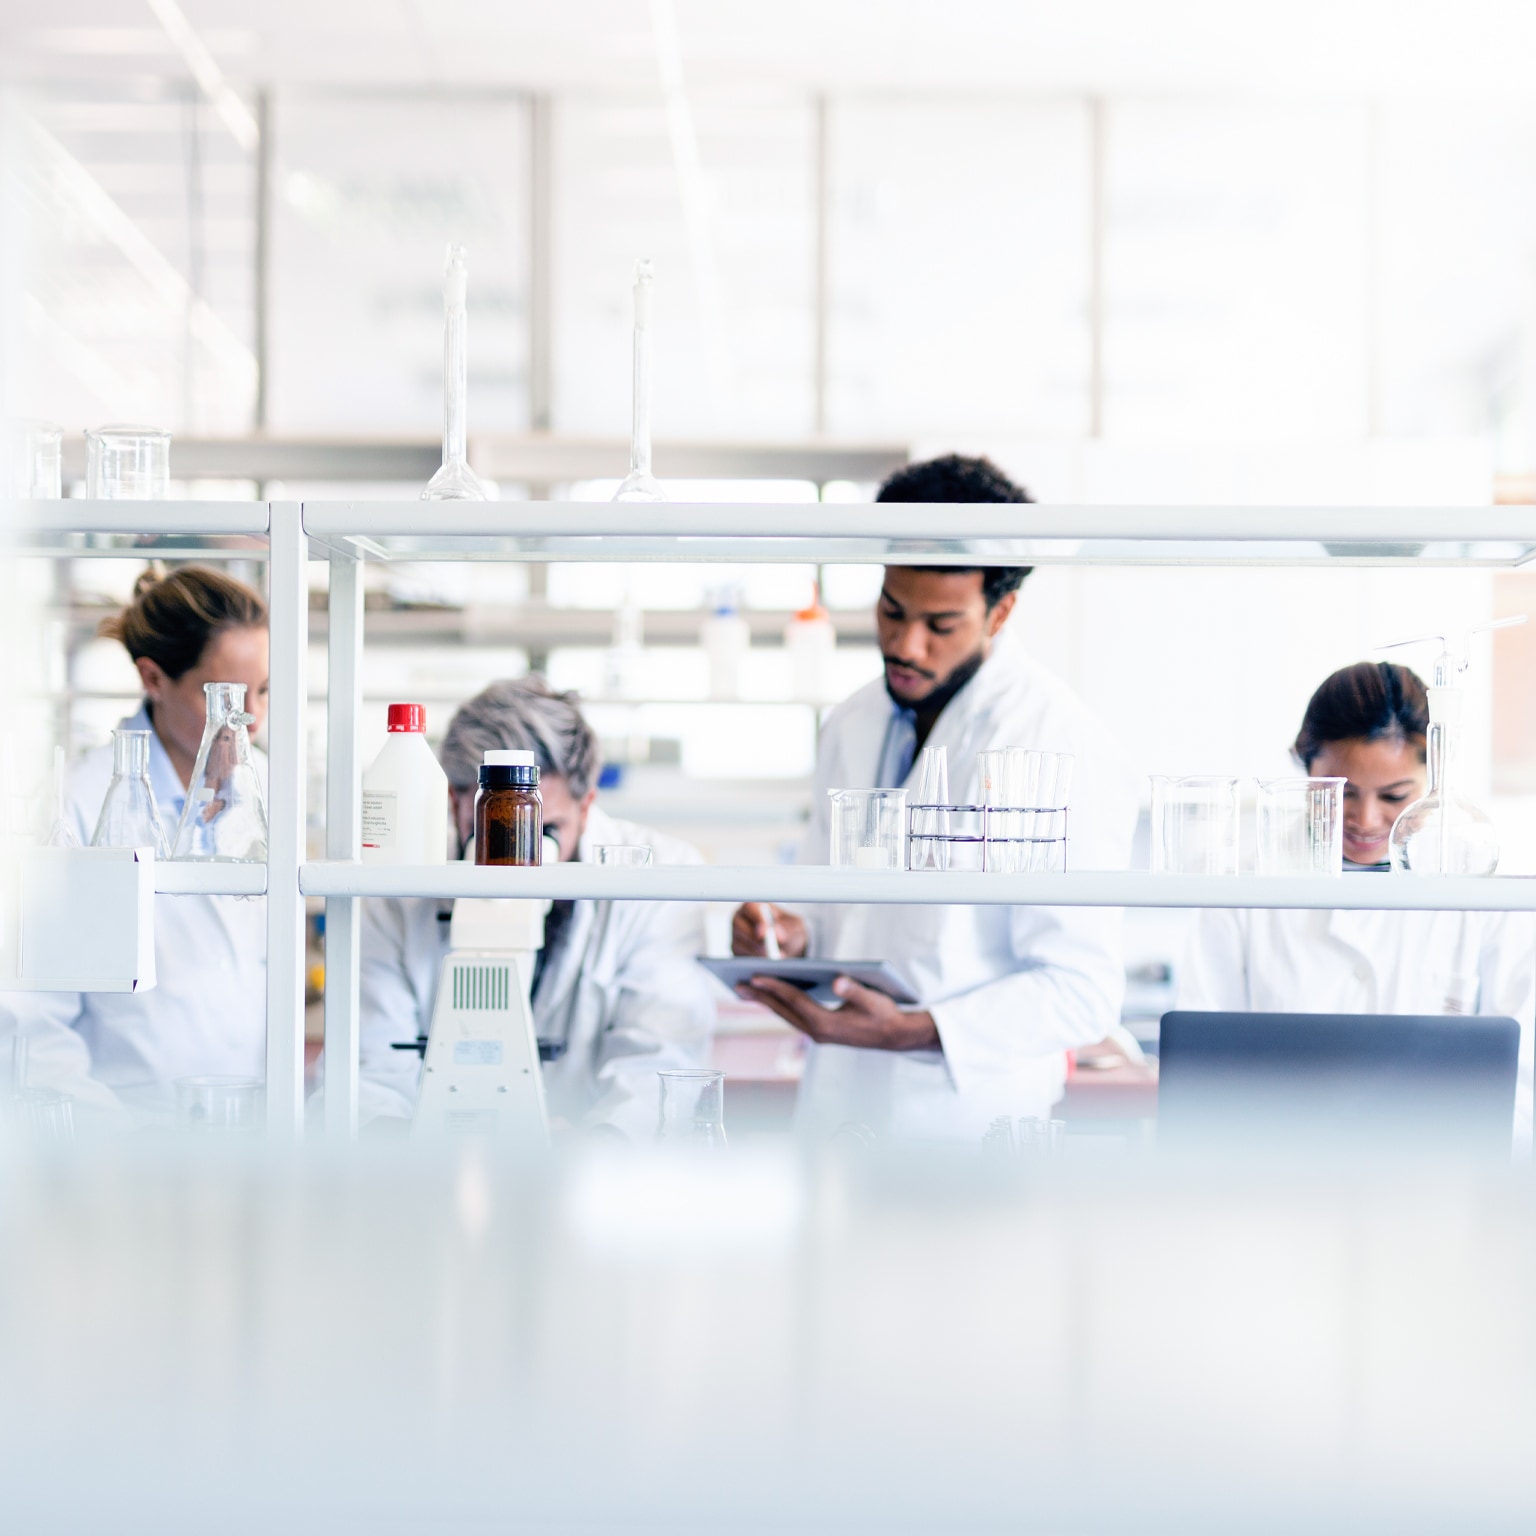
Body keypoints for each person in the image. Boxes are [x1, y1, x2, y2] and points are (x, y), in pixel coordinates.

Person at [730, 454, 1139, 1142]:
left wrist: (915, 1032)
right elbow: (830, 912)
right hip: (836, 1112)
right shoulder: (854, 720)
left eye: (940, 625)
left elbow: (1082, 990)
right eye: (892, 611)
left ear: (1000, 612)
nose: (905, 644)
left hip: (966, 1130)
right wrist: (787, 936)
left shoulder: (1060, 739)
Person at [1177, 660, 1534, 1147]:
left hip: (1434, 1183)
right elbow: (1201, 1072)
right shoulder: (1241, 882)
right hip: (1275, 1177)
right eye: (1341, 794)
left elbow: (1520, 1082)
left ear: (1433, 777)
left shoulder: (1480, 884)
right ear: (1306, 767)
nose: (1366, 820)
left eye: (1394, 795)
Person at [355, 677, 716, 1135]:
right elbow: (368, 1065)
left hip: (595, 1176)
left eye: (543, 832)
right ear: (455, 803)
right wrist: (414, 1147)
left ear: (587, 806)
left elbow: (660, 1058)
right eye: (492, 828)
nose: (518, 857)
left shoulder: (659, 875)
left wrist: (595, 1147)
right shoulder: (395, 888)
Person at [1, 565, 270, 1122]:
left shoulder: (269, 788)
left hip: (255, 1128)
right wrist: (101, 1133)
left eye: (263, 692)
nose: (251, 722)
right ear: (153, 679)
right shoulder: (79, 800)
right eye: (224, 699)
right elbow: (35, 1015)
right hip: (128, 1129)